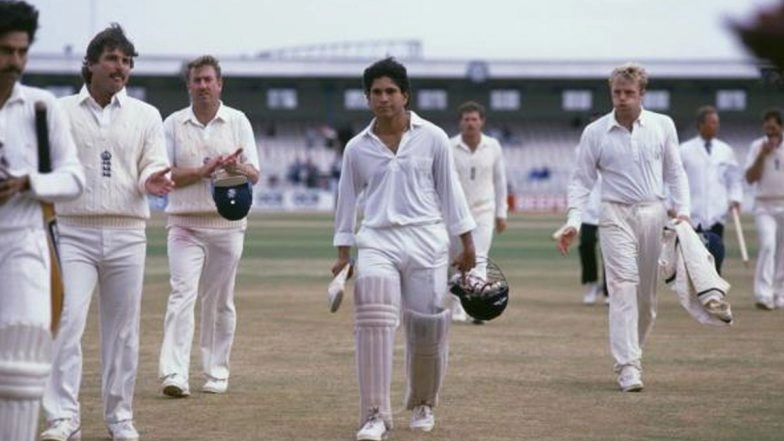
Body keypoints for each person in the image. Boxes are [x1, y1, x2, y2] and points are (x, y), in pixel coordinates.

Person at [331, 57, 476, 441]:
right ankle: (375, 414)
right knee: (374, 319)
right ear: (367, 98)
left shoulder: (432, 137)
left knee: (428, 327)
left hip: (427, 238)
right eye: (376, 92)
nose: (384, 99)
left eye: (390, 91)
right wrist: (344, 255)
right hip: (377, 238)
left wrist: (468, 245)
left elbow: (451, 192)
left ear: (405, 95)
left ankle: (424, 402)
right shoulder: (356, 148)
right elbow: (345, 201)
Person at [40, 24, 173, 441]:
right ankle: (63, 418)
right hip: (72, 231)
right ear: (91, 64)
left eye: (127, 62)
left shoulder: (146, 115)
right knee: (66, 323)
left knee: (124, 332)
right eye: (113, 59)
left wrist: (153, 179)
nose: (121, 67)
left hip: (127, 231)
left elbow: (153, 162)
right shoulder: (58, 112)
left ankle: (120, 418)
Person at [556, 62, 692, 393]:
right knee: (621, 288)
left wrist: (684, 212)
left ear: (642, 94)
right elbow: (581, 181)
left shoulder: (662, 126)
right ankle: (628, 366)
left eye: (629, 93)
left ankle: (634, 351)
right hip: (613, 214)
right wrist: (574, 220)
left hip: (653, 213)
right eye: (616, 92)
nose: (621, 99)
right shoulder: (595, 132)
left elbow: (675, 172)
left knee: (646, 299)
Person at [0, 2, 85, 440]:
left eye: (21, 52)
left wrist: (27, 182)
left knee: (25, 351)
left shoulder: (40, 107)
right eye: (5, 51)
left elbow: (74, 177)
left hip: (24, 239)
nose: (14, 62)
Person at [158, 55, 260, 398]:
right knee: (181, 294)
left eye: (208, 80)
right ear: (188, 85)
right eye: (196, 80)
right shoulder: (173, 123)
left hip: (227, 225)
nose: (202, 86)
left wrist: (235, 167)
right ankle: (174, 373)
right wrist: (203, 172)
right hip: (184, 223)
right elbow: (165, 175)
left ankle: (216, 372)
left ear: (220, 84)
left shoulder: (237, 121)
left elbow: (256, 174)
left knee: (219, 300)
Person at [448, 101, 507, 323]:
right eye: (466, 119)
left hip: (484, 210)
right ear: (460, 122)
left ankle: (479, 308)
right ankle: (458, 306)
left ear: (482, 121)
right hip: (455, 212)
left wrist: (502, 213)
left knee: (479, 258)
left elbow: (500, 181)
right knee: (458, 260)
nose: (471, 124)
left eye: (474, 119)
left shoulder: (493, 146)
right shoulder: (449, 146)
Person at [679, 105, 743, 274]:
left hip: (716, 214)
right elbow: (674, 180)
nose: (716, 126)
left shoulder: (726, 151)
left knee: (715, 257)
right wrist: (672, 206)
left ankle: (714, 297)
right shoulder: (684, 150)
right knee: (694, 261)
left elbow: (734, 179)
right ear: (700, 124)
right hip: (692, 214)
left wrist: (735, 198)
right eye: (712, 122)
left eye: (717, 123)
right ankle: (696, 298)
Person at [744, 108, 784, 310]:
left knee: (783, 252)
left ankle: (780, 294)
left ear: (781, 128)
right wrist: (762, 155)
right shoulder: (756, 146)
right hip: (764, 205)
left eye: (774, 129)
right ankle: (763, 294)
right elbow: (750, 178)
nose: (770, 134)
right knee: (768, 246)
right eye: (767, 130)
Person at [578, 176, 608, 305]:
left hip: (610, 209)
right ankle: (592, 283)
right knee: (586, 243)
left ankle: (609, 289)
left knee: (609, 250)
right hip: (587, 212)